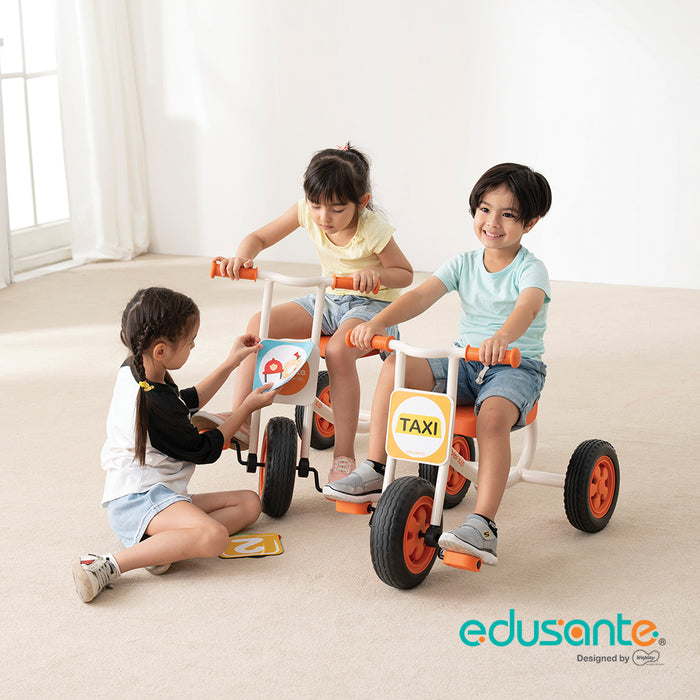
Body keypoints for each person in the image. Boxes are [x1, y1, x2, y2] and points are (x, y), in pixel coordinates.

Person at [324, 163, 552, 566]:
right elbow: (420, 296)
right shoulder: (464, 263)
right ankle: (375, 467)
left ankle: (483, 524)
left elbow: (527, 308)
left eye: (508, 214)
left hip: (514, 366)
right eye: (485, 210)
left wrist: (502, 337)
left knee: (491, 419)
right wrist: (377, 322)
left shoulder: (530, 269)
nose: (492, 222)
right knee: (396, 366)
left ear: (530, 223)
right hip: (465, 360)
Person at [214, 143, 413, 482]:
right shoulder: (306, 212)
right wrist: (243, 257)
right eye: (316, 205)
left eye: (337, 208)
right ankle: (242, 419)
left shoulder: (372, 228)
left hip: (372, 307)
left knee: (337, 351)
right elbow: (258, 237)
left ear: (361, 202)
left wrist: (377, 275)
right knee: (259, 323)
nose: (324, 217)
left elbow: (405, 274)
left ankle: (345, 456)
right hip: (329, 298)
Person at [72, 287, 278, 602]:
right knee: (215, 537)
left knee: (250, 504)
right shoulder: (154, 404)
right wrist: (245, 409)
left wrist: (231, 363)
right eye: (190, 341)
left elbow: (185, 402)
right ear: (160, 350)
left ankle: (163, 546)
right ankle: (107, 564)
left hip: (161, 494)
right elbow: (205, 448)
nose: (194, 344)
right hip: (137, 501)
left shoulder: (138, 369)